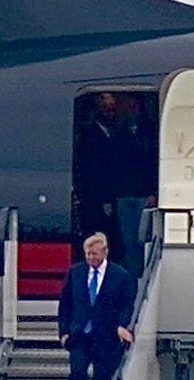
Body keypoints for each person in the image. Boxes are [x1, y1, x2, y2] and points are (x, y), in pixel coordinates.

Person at [57, 232, 135, 380]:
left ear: (105, 252)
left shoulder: (120, 276)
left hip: (106, 337)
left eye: (94, 253)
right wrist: (63, 332)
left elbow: (126, 305)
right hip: (80, 337)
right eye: (87, 254)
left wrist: (122, 326)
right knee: (77, 377)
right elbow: (65, 305)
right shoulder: (76, 272)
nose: (90, 257)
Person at [115, 94, 158, 280]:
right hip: (124, 193)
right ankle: (131, 278)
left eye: (134, 106)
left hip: (144, 193)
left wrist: (154, 191)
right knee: (128, 240)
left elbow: (155, 161)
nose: (131, 110)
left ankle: (145, 276)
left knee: (143, 239)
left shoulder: (151, 130)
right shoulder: (119, 130)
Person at [77, 93, 124, 260]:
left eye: (112, 108)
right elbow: (95, 168)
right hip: (97, 196)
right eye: (106, 108)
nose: (110, 112)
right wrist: (105, 199)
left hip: (112, 193)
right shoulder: (90, 134)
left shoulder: (115, 132)